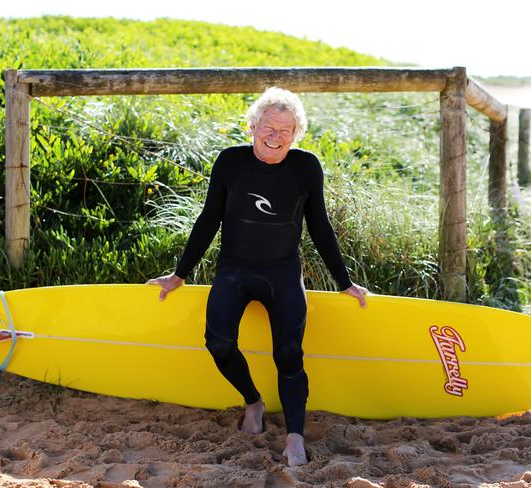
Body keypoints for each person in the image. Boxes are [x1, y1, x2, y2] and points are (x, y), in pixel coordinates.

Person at [146, 87, 369, 466]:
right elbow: (208, 220)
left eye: (286, 129)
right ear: (253, 126)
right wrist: (179, 275)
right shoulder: (231, 162)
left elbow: (320, 227)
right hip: (235, 269)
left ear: (296, 133)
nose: (276, 135)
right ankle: (253, 401)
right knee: (217, 342)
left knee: (289, 354)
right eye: (269, 126)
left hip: (282, 271)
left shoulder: (305, 167)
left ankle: (295, 437)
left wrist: (344, 281)